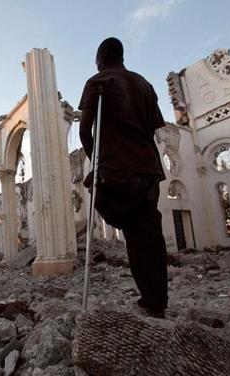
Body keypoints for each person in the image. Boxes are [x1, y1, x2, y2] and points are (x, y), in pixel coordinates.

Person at [78, 37, 168, 318]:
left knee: (129, 228)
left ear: (101, 59)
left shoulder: (98, 81)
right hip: (148, 168)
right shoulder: (144, 85)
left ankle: (150, 300)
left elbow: (84, 130)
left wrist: (97, 160)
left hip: (118, 169)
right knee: (148, 235)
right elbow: (152, 128)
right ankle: (155, 301)